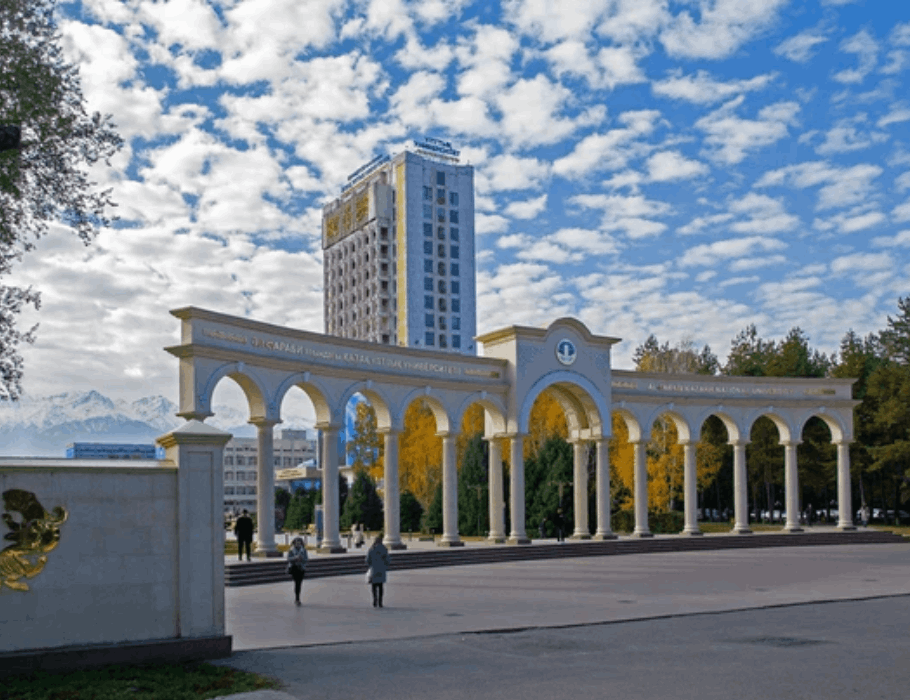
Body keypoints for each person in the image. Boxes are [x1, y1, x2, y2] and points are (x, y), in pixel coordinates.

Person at [365, 534, 390, 608]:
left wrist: (371, 565)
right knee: (381, 586)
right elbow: (388, 560)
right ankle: (380, 601)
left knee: (374, 586)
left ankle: (374, 600)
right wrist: (384, 565)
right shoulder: (384, 549)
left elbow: (367, 560)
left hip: (374, 570)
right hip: (382, 570)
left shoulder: (371, 549)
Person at [287, 537, 308, 606]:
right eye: (296, 542)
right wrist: (295, 558)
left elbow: (306, 559)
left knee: (299, 583)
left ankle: (297, 598)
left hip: (301, 568)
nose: (298, 544)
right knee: (297, 583)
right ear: (294, 543)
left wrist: (301, 559)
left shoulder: (304, 550)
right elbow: (288, 559)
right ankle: (297, 598)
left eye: (299, 542)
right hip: (294, 568)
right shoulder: (291, 550)